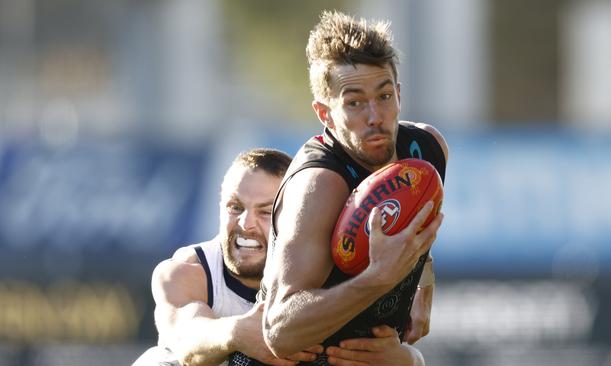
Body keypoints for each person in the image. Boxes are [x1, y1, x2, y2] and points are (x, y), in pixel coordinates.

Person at [261, 10, 448, 365]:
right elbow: (279, 332)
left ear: (399, 94)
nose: (375, 116)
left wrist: (424, 282)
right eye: (355, 103)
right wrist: (378, 279)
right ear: (324, 112)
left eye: (384, 96)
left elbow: (418, 224)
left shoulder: (427, 152)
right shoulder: (318, 185)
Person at [133, 148, 422, 366]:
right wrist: (236, 333)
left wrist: (408, 361)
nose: (245, 223)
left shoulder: (330, 274)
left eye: (264, 211)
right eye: (235, 207)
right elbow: (186, 340)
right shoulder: (188, 272)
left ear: (298, 218)